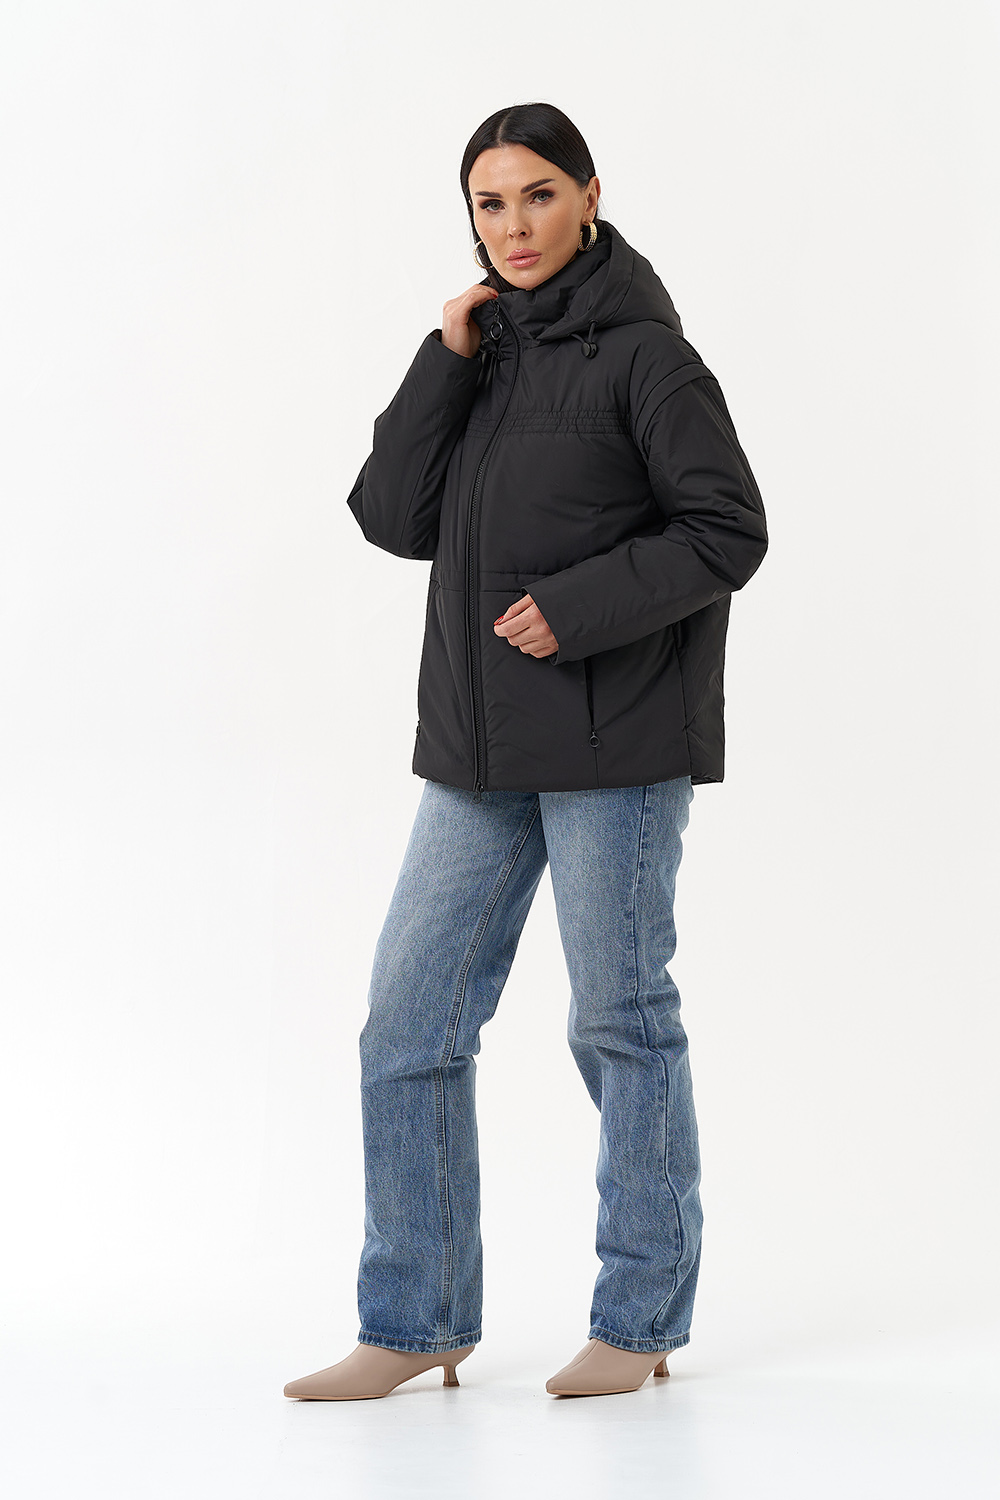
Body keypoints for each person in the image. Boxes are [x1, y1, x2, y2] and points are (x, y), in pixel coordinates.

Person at [284, 101, 768, 1403]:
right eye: (490, 204)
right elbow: (391, 518)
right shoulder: (484, 353)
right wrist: (442, 362)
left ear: (590, 195)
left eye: (539, 195)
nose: (515, 225)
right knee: (406, 1026)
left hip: (616, 746)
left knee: (619, 1025)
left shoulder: (651, 358)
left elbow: (729, 530)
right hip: (477, 751)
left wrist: (579, 607)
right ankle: (415, 1319)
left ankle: (641, 1315)